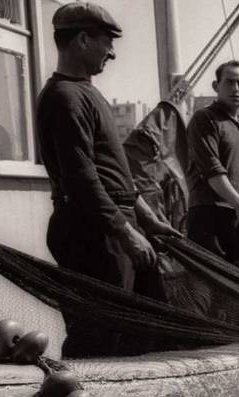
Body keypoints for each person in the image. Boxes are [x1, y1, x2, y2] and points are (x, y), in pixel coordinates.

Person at [37, 2, 179, 357]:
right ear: (83, 40)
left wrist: (146, 219)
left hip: (112, 229)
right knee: (99, 336)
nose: (112, 53)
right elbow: (81, 179)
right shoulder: (64, 97)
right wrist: (126, 231)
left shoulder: (89, 94)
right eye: (107, 42)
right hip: (91, 233)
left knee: (140, 330)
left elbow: (116, 174)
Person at [185, 60, 239, 264]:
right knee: (208, 287)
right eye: (229, 82)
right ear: (216, 86)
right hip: (209, 215)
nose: (236, 89)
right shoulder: (205, 119)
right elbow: (213, 171)